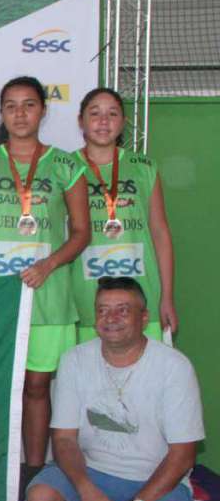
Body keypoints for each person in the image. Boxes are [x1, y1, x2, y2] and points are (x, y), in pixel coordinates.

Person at [25, 277, 203, 501]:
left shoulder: (174, 367)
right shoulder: (74, 359)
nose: (111, 319)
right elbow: (64, 439)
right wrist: (86, 489)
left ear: (144, 317)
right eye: (103, 310)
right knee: (39, 496)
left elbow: (183, 455)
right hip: (90, 470)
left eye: (123, 310)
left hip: (155, 478)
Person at [0, 76, 90, 486]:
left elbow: (82, 233)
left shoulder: (68, 165)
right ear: (1, 113)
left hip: (47, 295)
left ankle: (33, 470)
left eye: (29, 105)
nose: (20, 113)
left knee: (36, 387)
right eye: (11, 106)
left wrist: (49, 265)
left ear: (43, 111)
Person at [71, 88, 176, 342]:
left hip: (141, 289)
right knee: (90, 378)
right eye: (94, 113)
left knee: (145, 378)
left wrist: (167, 296)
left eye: (112, 114)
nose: (103, 121)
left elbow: (160, 233)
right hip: (84, 295)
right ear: (80, 121)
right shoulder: (64, 167)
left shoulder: (145, 168)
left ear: (123, 122)